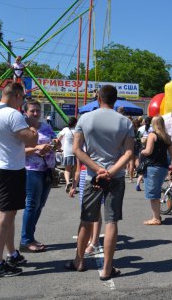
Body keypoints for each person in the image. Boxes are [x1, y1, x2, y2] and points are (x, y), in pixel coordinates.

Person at [68, 85, 133, 280]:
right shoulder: (125, 122)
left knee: (86, 219)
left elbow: (77, 149)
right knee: (111, 221)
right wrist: (111, 171)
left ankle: (79, 261)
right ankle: (107, 268)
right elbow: (129, 153)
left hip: (92, 176)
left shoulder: (85, 118)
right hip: (116, 177)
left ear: (98, 98)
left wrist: (97, 170)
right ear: (116, 100)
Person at [0, 82, 38, 278]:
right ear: (17, 96)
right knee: (4, 216)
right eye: (22, 99)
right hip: (9, 170)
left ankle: (11, 253)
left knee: (9, 214)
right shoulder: (13, 114)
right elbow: (31, 140)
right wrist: (33, 128)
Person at [19, 100, 60, 252]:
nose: (36, 113)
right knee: (31, 204)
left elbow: (55, 142)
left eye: (38, 110)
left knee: (40, 204)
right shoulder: (22, 128)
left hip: (47, 170)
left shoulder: (46, 126)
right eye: (32, 111)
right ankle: (26, 240)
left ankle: (30, 236)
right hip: (32, 170)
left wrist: (56, 144)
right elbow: (18, 150)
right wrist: (37, 148)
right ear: (25, 112)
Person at [140, 116, 172, 226]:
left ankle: (156, 218)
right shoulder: (166, 137)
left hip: (153, 167)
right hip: (163, 167)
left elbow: (148, 151)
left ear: (153, 124)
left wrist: (142, 151)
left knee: (153, 194)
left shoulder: (152, 135)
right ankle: (157, 215)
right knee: (156, 191)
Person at [57, 117, 78, 192]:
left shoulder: (65, 130)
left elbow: (58, 139)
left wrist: (58, 148)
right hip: (76, 152)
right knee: (75, 171)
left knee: (67, 169)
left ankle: (68, 182)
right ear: (76, 123)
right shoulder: (77, 130)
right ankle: (73, 187)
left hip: (67, 152)